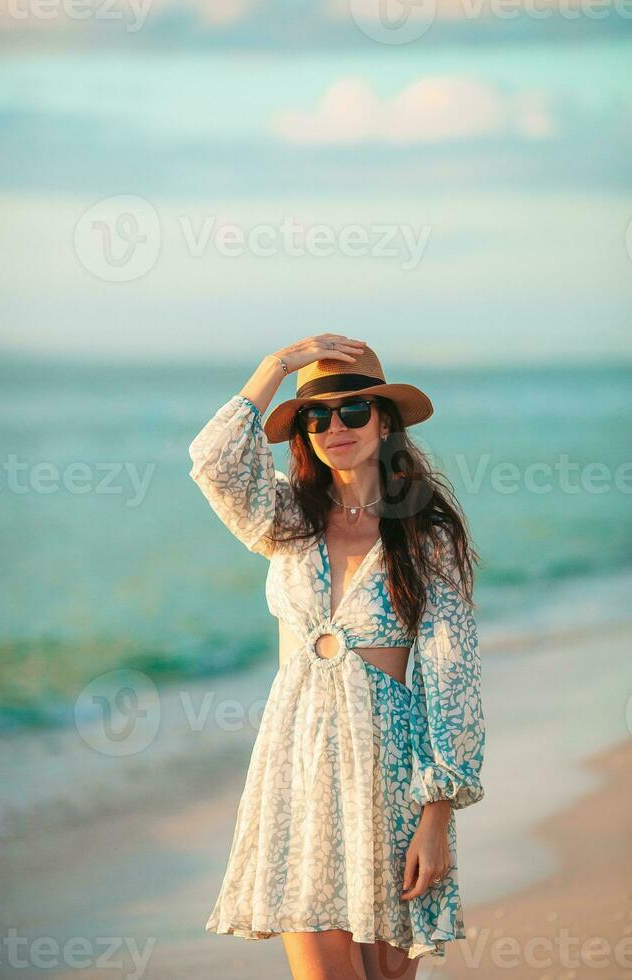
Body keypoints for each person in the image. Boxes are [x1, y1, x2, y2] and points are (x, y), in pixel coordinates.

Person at [188, 335, 486, 980]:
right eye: (317, 416)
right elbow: (212, 461)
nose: (335, 427)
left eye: (353, 411)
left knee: (384, 976)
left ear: (385, 422)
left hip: (391, 774)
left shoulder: (426, 536)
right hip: (296, 768)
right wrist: (276, 366)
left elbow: (452, 681)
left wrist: (436, 819)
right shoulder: (284, 518)